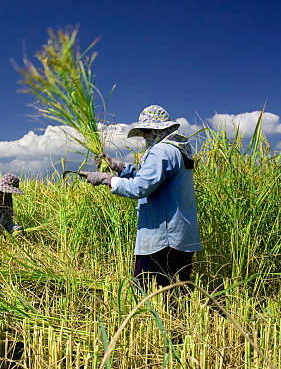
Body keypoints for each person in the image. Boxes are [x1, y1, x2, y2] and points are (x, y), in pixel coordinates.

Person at [82, 105, 201, 289]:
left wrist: (107, 179)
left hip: (163, 238)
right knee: (178, 294)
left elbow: (140, 187)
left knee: (145, 288)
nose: (145, 137)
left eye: (146, 132)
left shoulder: (161, 151)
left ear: (155, 130)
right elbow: (151, 176)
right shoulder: (177, 149)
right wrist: (117, 166)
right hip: (181, 235)